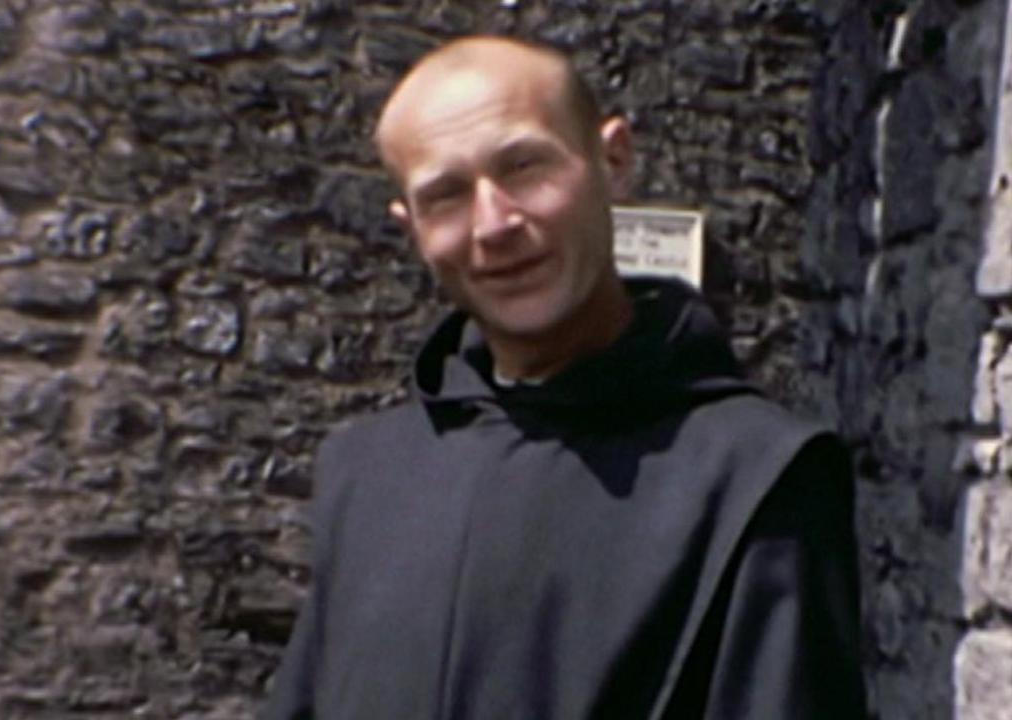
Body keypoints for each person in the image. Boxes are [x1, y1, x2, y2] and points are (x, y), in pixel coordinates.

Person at [263, 35, 867, 720]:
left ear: (613, 161)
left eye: (524, 167)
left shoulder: (759, 479)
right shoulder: (365, 473)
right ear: (411, 228)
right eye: (446, 195)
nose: (494, 224)